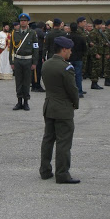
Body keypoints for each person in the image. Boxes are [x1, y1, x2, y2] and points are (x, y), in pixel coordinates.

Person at [39, 35, 80, 184]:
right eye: (69, 50)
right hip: (63, 109)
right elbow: (72, 90)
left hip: (49, 106)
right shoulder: (66, 67)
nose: (70, 53)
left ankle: (45, 170)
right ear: (63, 50)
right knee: (63, 142)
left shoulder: (46, 64)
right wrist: (75, 104)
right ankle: (62, 174)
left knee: (48, 139)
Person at [9, 13, 39, 111]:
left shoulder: (32, 33)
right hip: (18, 60)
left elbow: (36, 49)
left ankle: (26, 102)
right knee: (18, 81)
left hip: (28, 60)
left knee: (26, 81)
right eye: (21, 21)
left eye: (25, 21)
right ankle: (19, 101)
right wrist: (11, 62)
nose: (23, 22)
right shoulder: (14, 33)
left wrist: (34, 62)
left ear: (27, 22)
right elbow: (11, 49)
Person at [67, 22, 86, 97]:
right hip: (78, 58)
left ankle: (69, 91)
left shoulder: (67, 37)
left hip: (69, 58)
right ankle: (79, 91)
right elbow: (85, 48)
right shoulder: (81, 37)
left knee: (69, 75)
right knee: (78, 75)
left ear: (70, 28)